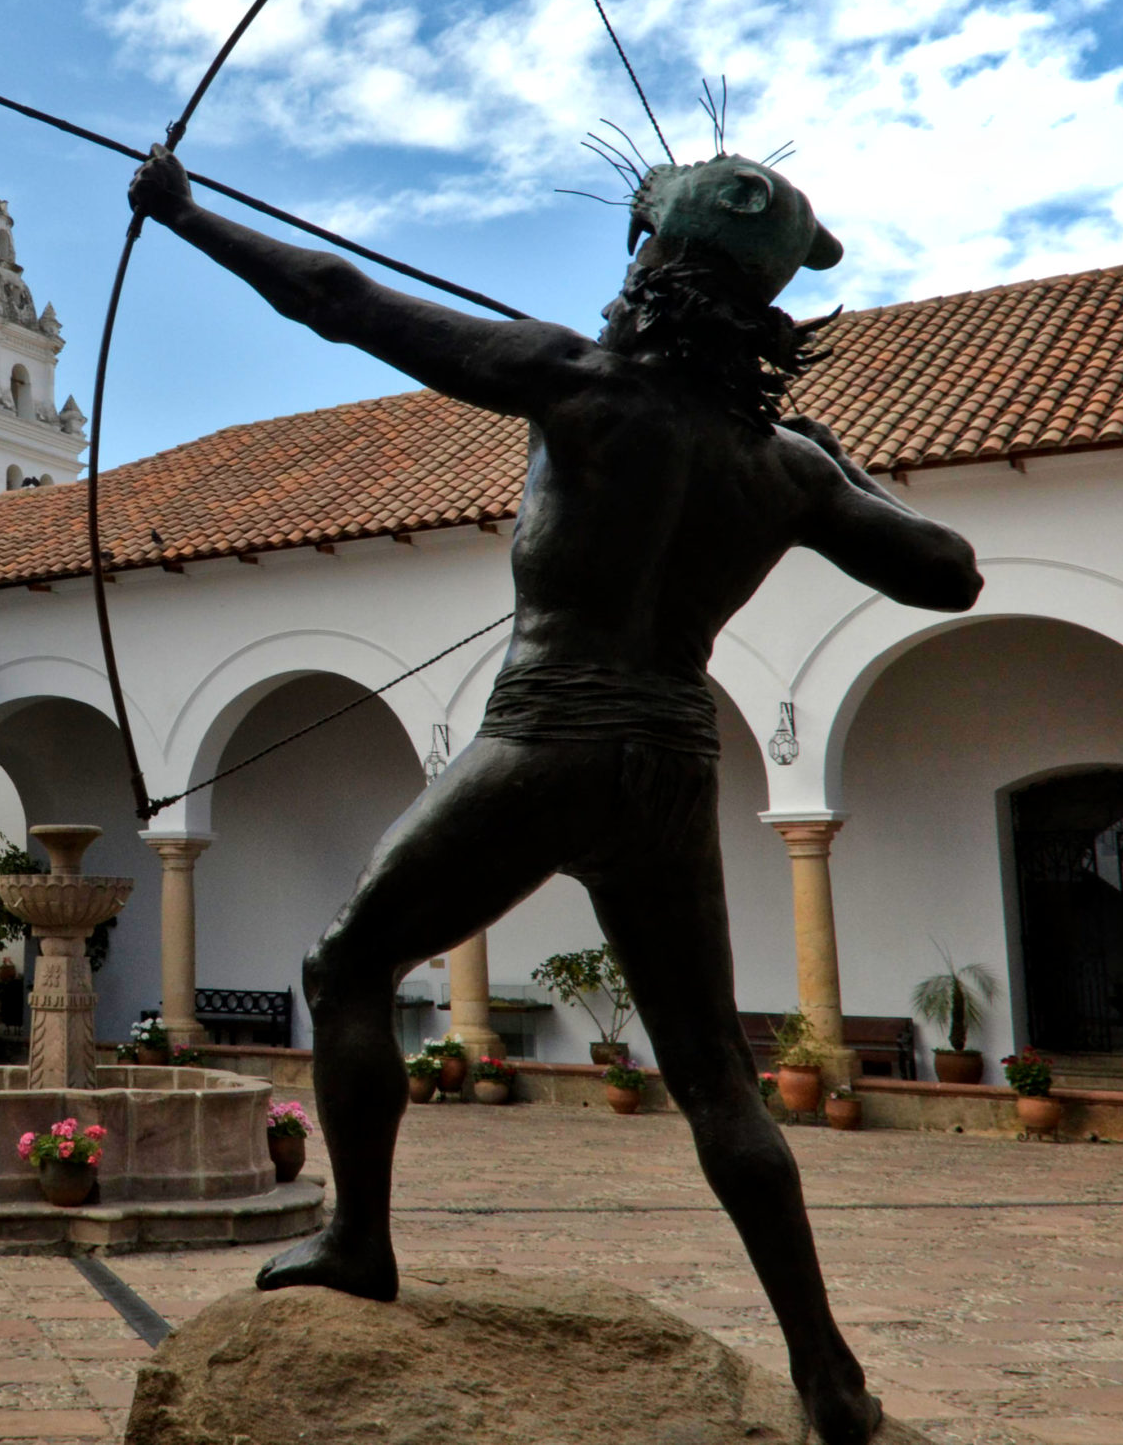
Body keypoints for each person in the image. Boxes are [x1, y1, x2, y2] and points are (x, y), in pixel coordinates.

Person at [128, 144, 981, 1445]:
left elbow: (339, 301)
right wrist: (834, 463)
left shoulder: (576, 382)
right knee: (717, 1083)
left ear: (654, 264)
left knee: (347, 963)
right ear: (758, 307)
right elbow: (950, 571)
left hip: (549, 740)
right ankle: (828, 1372)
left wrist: (189, 215)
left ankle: (360, 1240)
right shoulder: (784, 468)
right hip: (670, 762)